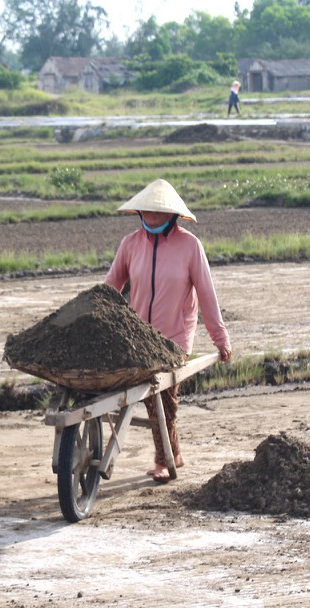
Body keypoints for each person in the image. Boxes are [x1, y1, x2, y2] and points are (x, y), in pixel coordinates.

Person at [105, 179, 232, 483]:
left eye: (158, 211)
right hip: (138, 337)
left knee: (162, 397)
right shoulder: (130, 244)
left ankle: (163, 460)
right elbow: (110, 288)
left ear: (172, 215)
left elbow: (207, 295)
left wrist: (221, 338)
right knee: (148, 394)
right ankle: (174, 453)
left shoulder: (190, 247)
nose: (151, 215)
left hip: (174, 337)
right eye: (147, 210)